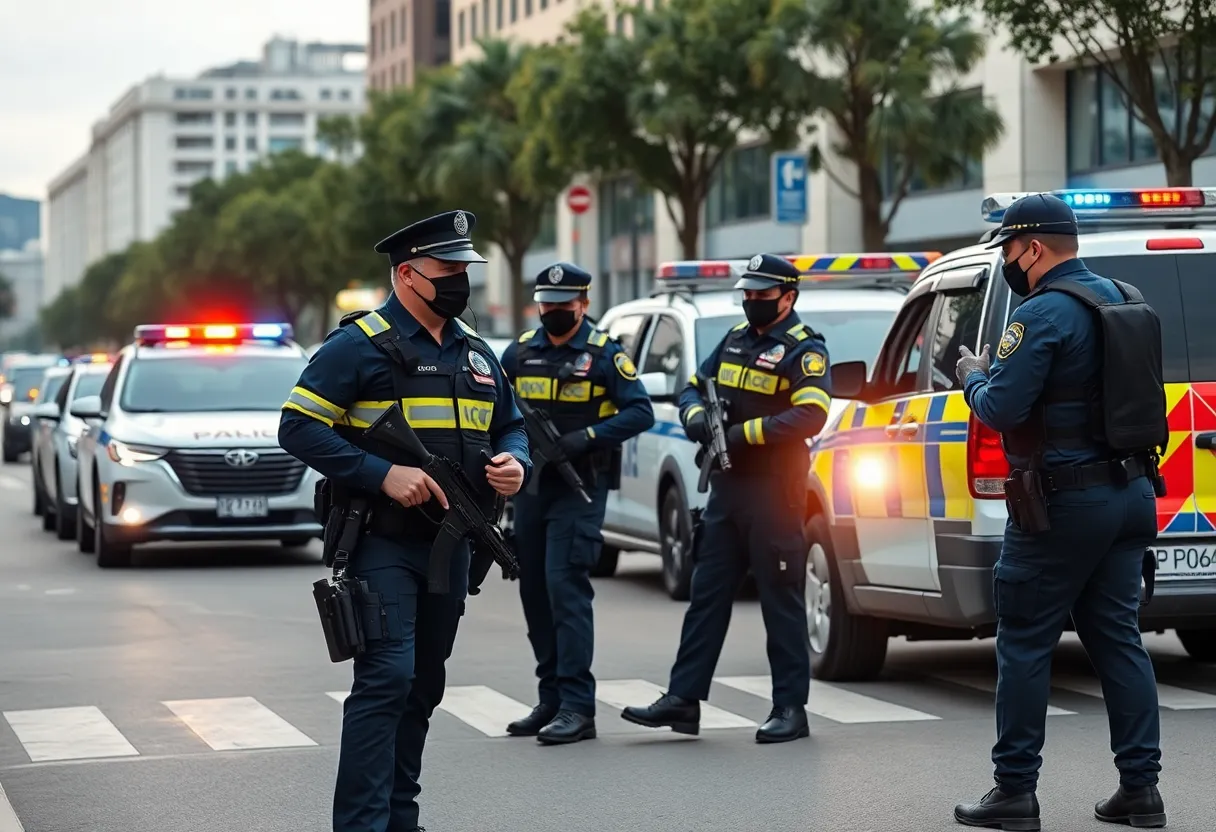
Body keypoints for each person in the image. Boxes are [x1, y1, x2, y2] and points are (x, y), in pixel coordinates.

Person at [278, 210, 531, 832]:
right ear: (407, 274)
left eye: (464, 270)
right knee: (387, 677)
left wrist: (514, 464)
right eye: (448, 270)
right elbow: (297, 426)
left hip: (453, 547)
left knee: (423, 685)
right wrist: (380, 473)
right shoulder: (356, 346)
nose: (460, 281)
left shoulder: (476, 352)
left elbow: (511, 424)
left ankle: (399, 819)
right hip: (380, 540)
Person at [953, 193, 1167, 831]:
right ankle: (1142, 791)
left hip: (1067, 501)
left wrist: (973, 374)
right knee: (1120, 642)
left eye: (1010, 249)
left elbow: (1001, 409)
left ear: (1034, 248)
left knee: (1023, 640)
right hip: (1131, 495)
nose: (1008, 262)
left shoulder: (1041, 312)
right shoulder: (1122, 299)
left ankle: (1014, 791)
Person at [620, 253, 832, 744]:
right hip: (726, 492)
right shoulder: (735, 340)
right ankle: (683, 699)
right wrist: (695, 416)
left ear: (788, 297)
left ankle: (790, 709)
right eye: (748, 293)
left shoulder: (804, 349)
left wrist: (743, 434)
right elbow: (697, 386)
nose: (751, 300)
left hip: (774, 494)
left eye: (761, 294)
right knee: (706, 596)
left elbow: (811, 415)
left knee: (780, 601)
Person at [499, 261, 655, 745]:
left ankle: (577, 707)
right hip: (530, 488)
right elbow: (494, 405)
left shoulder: (605, 354)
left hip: (579, 487)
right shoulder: (521, 352)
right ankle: (549, 699)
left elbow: (640, 410)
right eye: (546, 306)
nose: (553, 314)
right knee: (534, 594)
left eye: (563, 307)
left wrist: (585, 438)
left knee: (564, 588)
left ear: (584, 305)